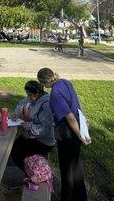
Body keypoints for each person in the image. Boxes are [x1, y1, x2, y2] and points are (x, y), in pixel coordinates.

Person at [37, 68, 88, 201]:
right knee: (75, 165)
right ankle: (80, 197)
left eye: (41, 84)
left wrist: (80, 135)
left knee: (66, 169)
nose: (43, 87)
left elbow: (69, 117)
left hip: (68, 134)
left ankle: (66, 197)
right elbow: (78, 102)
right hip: (77, 127)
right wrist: (83, 118)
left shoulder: (55, 94)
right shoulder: (65, 82)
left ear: (44, 82)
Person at [10, 80, 55, 171]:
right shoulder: (33, 97)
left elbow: (44, 129)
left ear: (37, 93)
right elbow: (23, 103)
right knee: (15, 146)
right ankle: (25, 170)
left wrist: (29, 126)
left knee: (18, 152)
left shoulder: (46, 105)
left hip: (44, 141)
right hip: (32, 135)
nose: (28, 97)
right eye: (27, 94)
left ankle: (31, 175)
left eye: (30, 95)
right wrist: (16, 113)